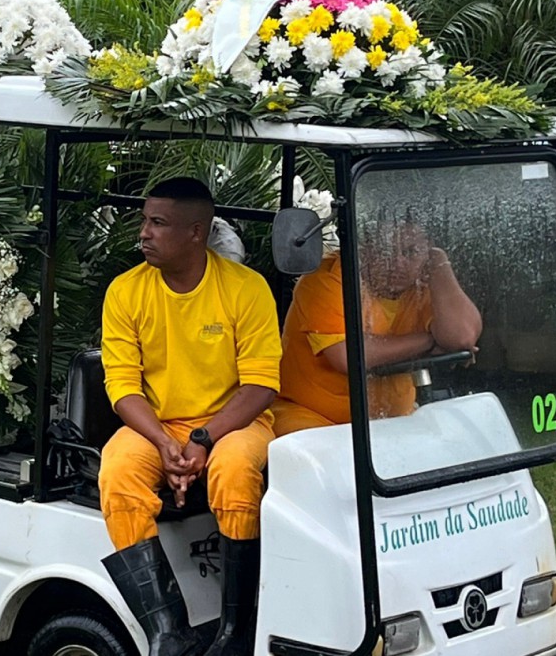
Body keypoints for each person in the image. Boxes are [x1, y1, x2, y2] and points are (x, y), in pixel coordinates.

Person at [98, 177, 282, 656]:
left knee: (235, 468)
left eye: (158, 223)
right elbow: (122, 387)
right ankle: (168, 631)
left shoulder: (246, 289)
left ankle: (238, 631)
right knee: (118, 470)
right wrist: (164, 442)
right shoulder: (125, 291)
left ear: (196, 232)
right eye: (145, 220)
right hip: (159, 426)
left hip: (235, 424)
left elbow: (260, 386)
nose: (144, 233)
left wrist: (202, 438)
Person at [272, 217, 482, 436]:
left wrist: (440, 263)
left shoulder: (426, 282)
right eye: (386, 250)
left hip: (392, 420)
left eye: (411, 252)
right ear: (364, 249)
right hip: (312, 417)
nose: (398, 263)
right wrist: (429, 340)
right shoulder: (328, 277)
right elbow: (348, 356)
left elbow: (461, 337)